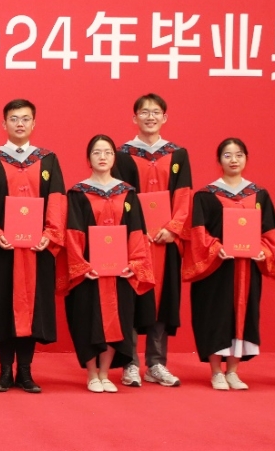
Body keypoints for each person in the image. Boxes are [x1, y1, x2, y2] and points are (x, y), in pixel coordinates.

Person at [0, 99, 67, 394]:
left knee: (33, 308)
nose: (20, 123)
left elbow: (57, 201)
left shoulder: (48, 160)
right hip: (1, 249)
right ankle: (3, 371)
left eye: (25, 118)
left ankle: (25, 371)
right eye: (14, 118)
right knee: (1, 305)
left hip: (36, 250)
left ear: (34, 123)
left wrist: (50, 234)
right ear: (4, 124)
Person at [183, 138, 275, 391]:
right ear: (219, 161)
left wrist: (263, 251)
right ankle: (216, 371)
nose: (234, 160)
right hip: (215, 269)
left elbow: (270, 232)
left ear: (246, 158)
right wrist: (216, 248)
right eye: (227, 155)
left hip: (246, 268)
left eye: (239, 155)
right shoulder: (205, 196)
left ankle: (233, 371)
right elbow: (197, 233)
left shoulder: (259, 195)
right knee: (214, 315)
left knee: (243, 314)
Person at [63, 135, 156, 393]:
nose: (102, 157)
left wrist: (134, 263)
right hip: (90, 272)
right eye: (96, 152)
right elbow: (73, 232)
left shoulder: (127, 193)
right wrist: (82, 266)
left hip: (119, 271)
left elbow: (137, 231)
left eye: (107, 152)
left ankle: (105, 374)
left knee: (119, 320)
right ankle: (92, 374)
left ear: (114, 158)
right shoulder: (78, 193)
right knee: (87, 320)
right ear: (88, 158)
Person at [110, 92, 190, 387]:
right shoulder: (122, 154)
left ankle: (156, 364)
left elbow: (184, 195)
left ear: (164, 117)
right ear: (135, 118)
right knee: (132, 299)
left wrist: (174, 228)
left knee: (163, 301)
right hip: (136, 242)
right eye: (144, 112)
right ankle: (130, 363)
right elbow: (119, 196)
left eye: (156, 112)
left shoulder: (178, 154)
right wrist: (135, 231)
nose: (150, 117)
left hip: (166, 242)